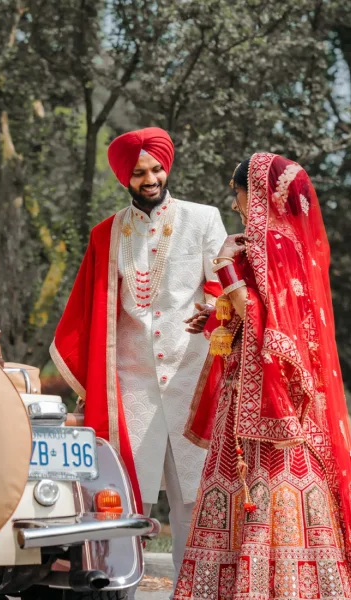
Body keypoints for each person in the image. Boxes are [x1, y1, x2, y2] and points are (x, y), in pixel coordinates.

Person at [172, 153, 351, 600]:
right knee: (281, 487)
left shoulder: (270, 244)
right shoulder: (289, 244)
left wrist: (224, 264)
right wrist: (216, 316)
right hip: (269, 395)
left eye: (237, 193)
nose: (235, 205)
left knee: (268, 486)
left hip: (268, 402)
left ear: (258, 194)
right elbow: (264, 316)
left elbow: (261, 317)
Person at [51, 127, 239, 575]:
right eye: (139, 173)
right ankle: (120, 585)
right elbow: (89, 311)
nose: (150, 179)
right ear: (125, 178)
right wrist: (93, 383)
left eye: (156, 169)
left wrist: (213, 310)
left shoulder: (203, 219)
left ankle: (193, 589)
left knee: (194, 500)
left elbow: (225, 287)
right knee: (122, 500)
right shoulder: (106, 234)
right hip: (131, 386)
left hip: (192, 380)